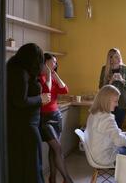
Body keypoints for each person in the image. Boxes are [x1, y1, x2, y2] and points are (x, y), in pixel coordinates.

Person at [7, 43, 51, 183]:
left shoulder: (21, 70)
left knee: (29, 163)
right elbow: (20, 101)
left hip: (27, 124)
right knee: (32, 164)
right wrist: (40, 98)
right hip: (25, 126)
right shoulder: (20, 73)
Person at [39, 53, 72, 183]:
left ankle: (52, 178)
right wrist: (48, 74)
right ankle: (67, 179)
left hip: (56, 115)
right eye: (53, 61)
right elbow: (46, 90)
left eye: (56, 62)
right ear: (45, 62)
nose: (55, 64)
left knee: (54, 150)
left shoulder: (52, 77)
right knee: (57, 148)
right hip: (45, 118)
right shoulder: (39, 77)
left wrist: (54, 74)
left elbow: (65, 90)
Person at [84, 85, 126, 166]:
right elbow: (119, 141)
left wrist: (125, 134)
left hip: (95, 154)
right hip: (104, 157)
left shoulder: (94, 114)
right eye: (115, 101)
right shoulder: (107, 118)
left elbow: (110, 133)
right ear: (106, 101)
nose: (117, 105)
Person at [99, 48, 126, 128]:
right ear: (110, 59)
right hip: (108, 103)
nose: (119, 58)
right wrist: (111, 81)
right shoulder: (105, 69)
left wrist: (122, 80)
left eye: (119, 56)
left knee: (117, 128)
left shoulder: (125, 69)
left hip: (122, 103)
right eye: (116, 57)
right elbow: (101, 88)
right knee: (108, 127)